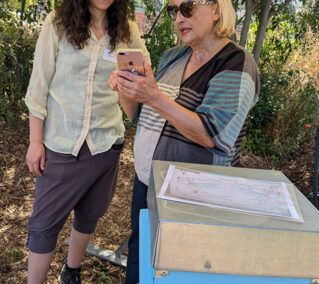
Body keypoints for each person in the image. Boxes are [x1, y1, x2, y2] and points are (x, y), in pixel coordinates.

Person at [109, 0, 260, 282]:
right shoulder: (174, 56)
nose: (178, 17)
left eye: (187, 7)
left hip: (197, 194)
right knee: (140, 257)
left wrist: (154, 95)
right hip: (148, 181)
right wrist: (126, 89)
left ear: (217, 9)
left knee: (179, 270)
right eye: (173, 10)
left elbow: (211, 133)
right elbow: (137, 114)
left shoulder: (236, 62)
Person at [24, 0, 150, 283]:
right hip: (61, 143)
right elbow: (39, 85)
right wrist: (35, 142)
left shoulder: (127, 31)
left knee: (90, 213)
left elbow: (144, 75)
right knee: (44, 224)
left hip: (106, 143)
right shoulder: (57, 23)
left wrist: (132, 80)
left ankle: (72, 270)